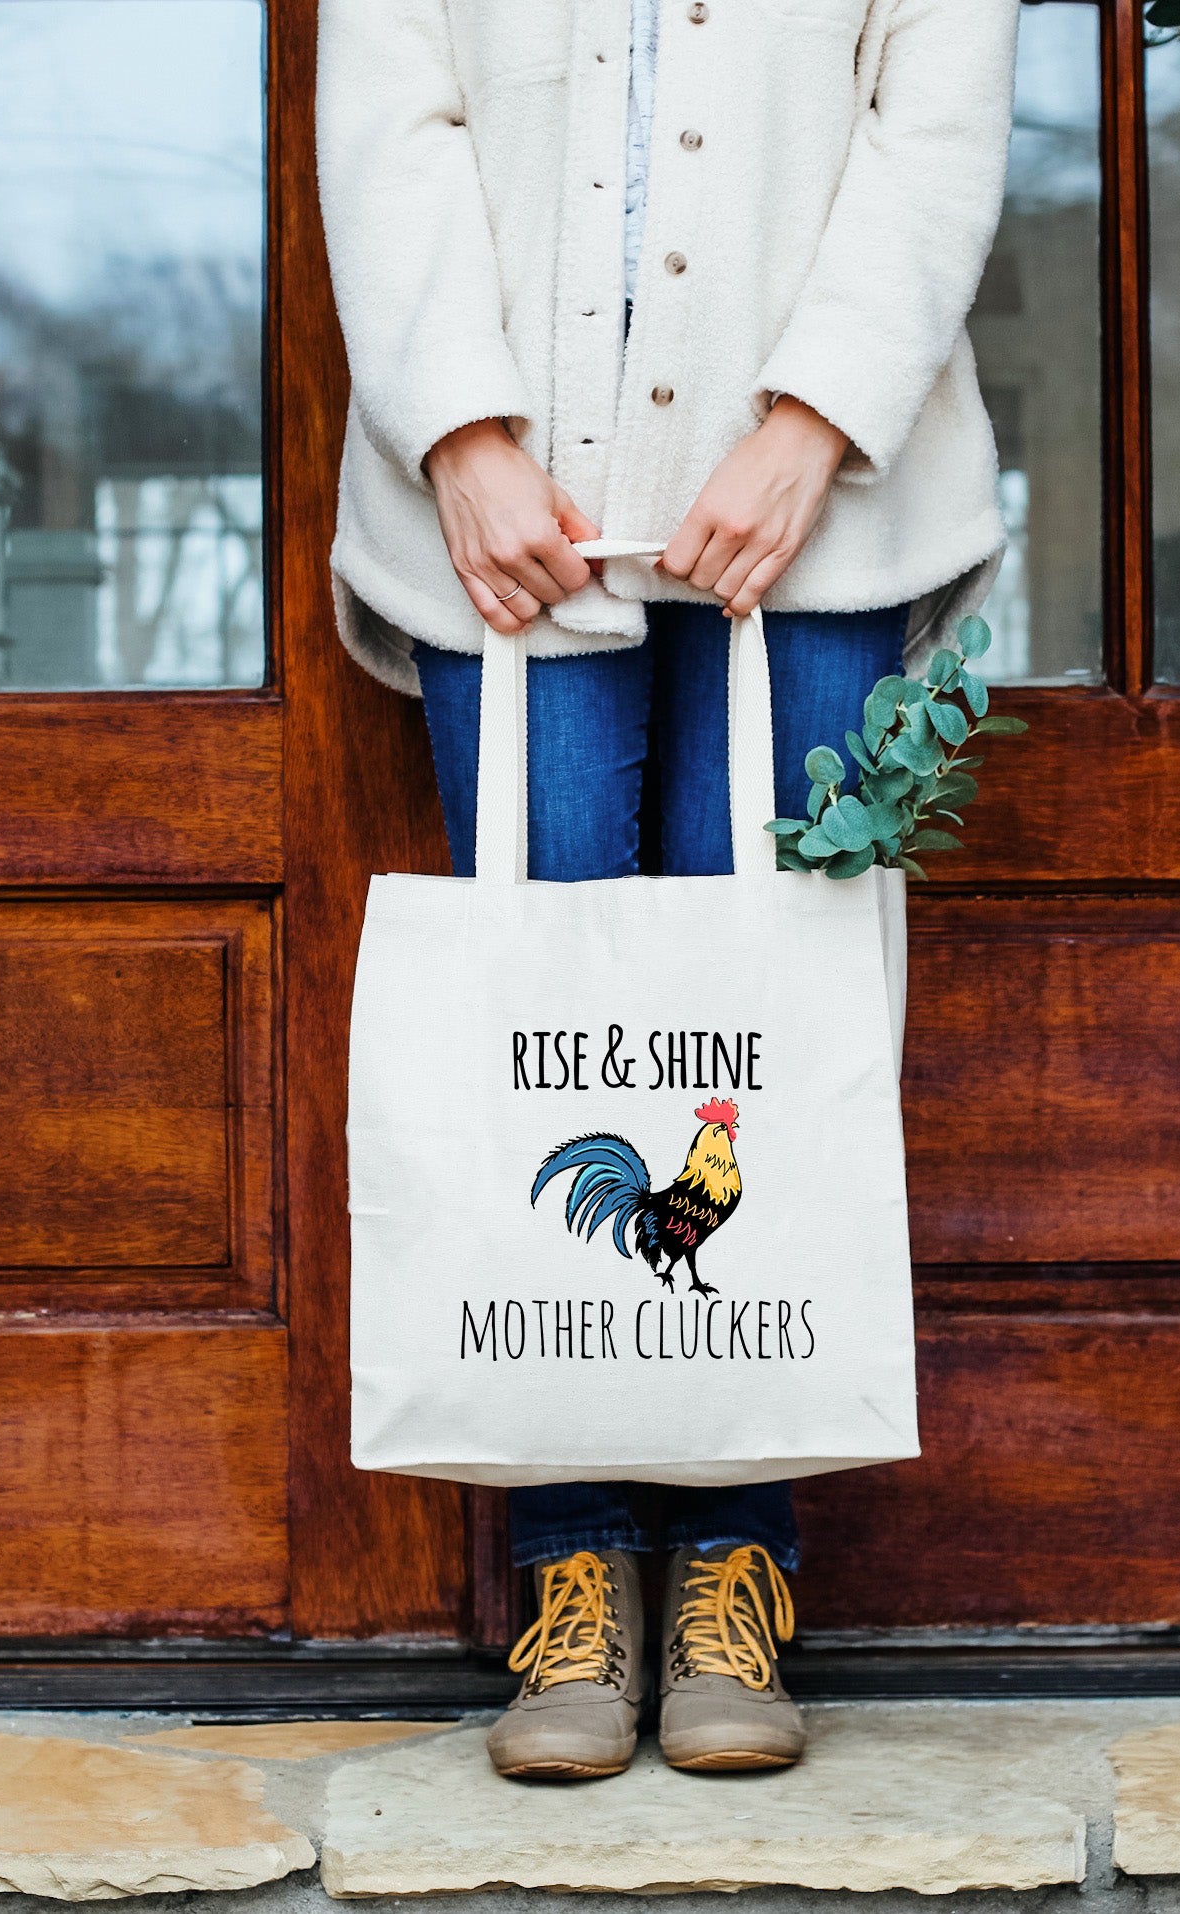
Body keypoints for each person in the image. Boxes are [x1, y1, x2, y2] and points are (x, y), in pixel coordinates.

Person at [317, 0, 1018, 1780]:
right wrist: (460, 437)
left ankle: (736, 1570)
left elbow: (930, 124)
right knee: (541, 1040)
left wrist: (811, 424)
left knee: (770, 1030)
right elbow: (397, 121)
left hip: (826, 509)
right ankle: (570, 1574)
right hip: (507, 516)